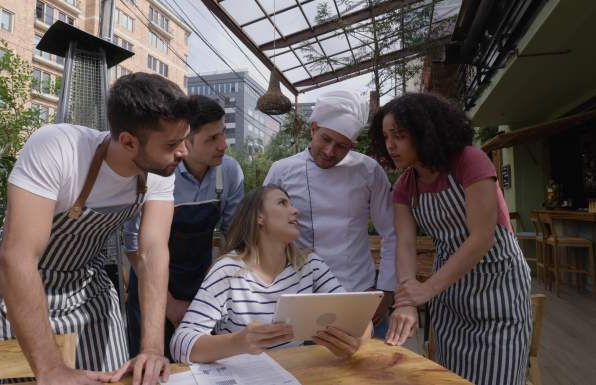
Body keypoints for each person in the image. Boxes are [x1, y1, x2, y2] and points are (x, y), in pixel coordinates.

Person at [0, 73, 195, 385]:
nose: (184, 153)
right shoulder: (57, 148)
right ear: (128, 141)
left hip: (86, 282)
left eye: (185, 139)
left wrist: (152, 348)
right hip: (22, 281)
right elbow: (18, 257)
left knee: (112, 377)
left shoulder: (160, 168)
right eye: (173, 144)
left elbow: (152, 252)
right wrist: (51, 368)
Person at [372, 93, 531, 385]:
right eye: (385, 137)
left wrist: (427, 289)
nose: (390, 145)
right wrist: (407, 300)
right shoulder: (405, 187)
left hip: (498, 286)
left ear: (424, 129)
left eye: (399, 135)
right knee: (449, 376)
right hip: (450, 295)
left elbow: (482, 237)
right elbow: (404, 245)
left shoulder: (469, 161)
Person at [170, 185, 370, 363]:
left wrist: (357, 342)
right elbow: (180, 344)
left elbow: (361, 319)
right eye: (282, 203)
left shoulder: (310, 265)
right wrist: (238, 342)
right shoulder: (228, 271)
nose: (295, 211)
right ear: (259, 217)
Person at [264, 90, 397, 337]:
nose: (330, 151)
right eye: (325, 139)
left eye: (342, 146)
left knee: (370, 371)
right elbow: (263, 232)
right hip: (301, 294)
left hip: (359, 292)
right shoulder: (281, 170)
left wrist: (386, 291)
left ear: (353, 146)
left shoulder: (369, 171)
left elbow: (391, 232)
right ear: (313, 128)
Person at [124, 95, 245, 358]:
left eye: (222, 134)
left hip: (200, 284)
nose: (223, 145)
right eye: (211, 139)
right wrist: (167, 304)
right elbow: (135, 246)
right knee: (150, 365)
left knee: (200, 364)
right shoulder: (157, 173)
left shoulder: (230, 173)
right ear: (186, 142)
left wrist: (212, 295)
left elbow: (234, 238)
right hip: (149, 281)